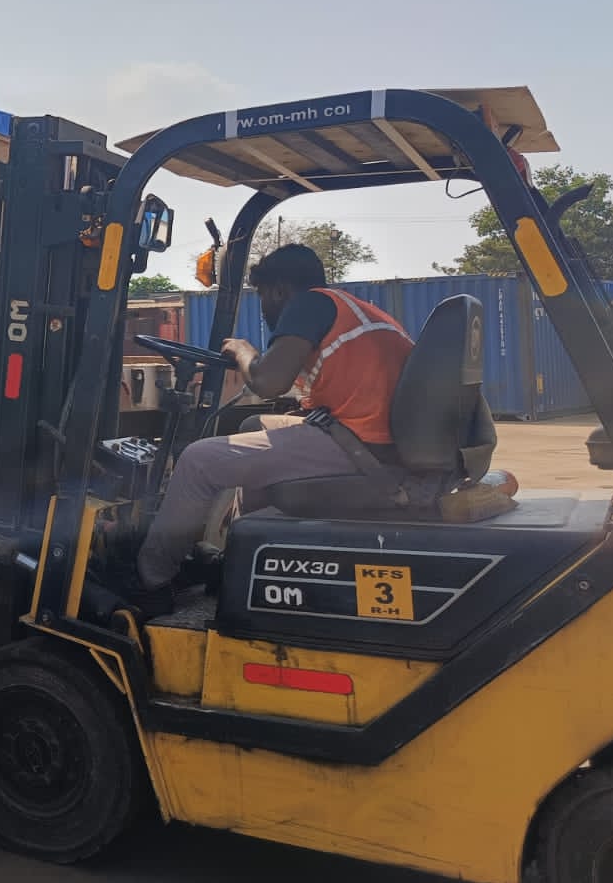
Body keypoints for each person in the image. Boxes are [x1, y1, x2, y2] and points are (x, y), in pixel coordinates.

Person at [132, 244, 414, 611]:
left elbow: (268, 382)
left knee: (198, 461)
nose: (264, 307)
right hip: (374, 438)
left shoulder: (308, 304)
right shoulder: (350, 309)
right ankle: (243, 557)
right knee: (254, 424)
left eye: (263, 295)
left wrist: (243, 351)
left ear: (279, 290)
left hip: (363, 447)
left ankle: (150, 581)